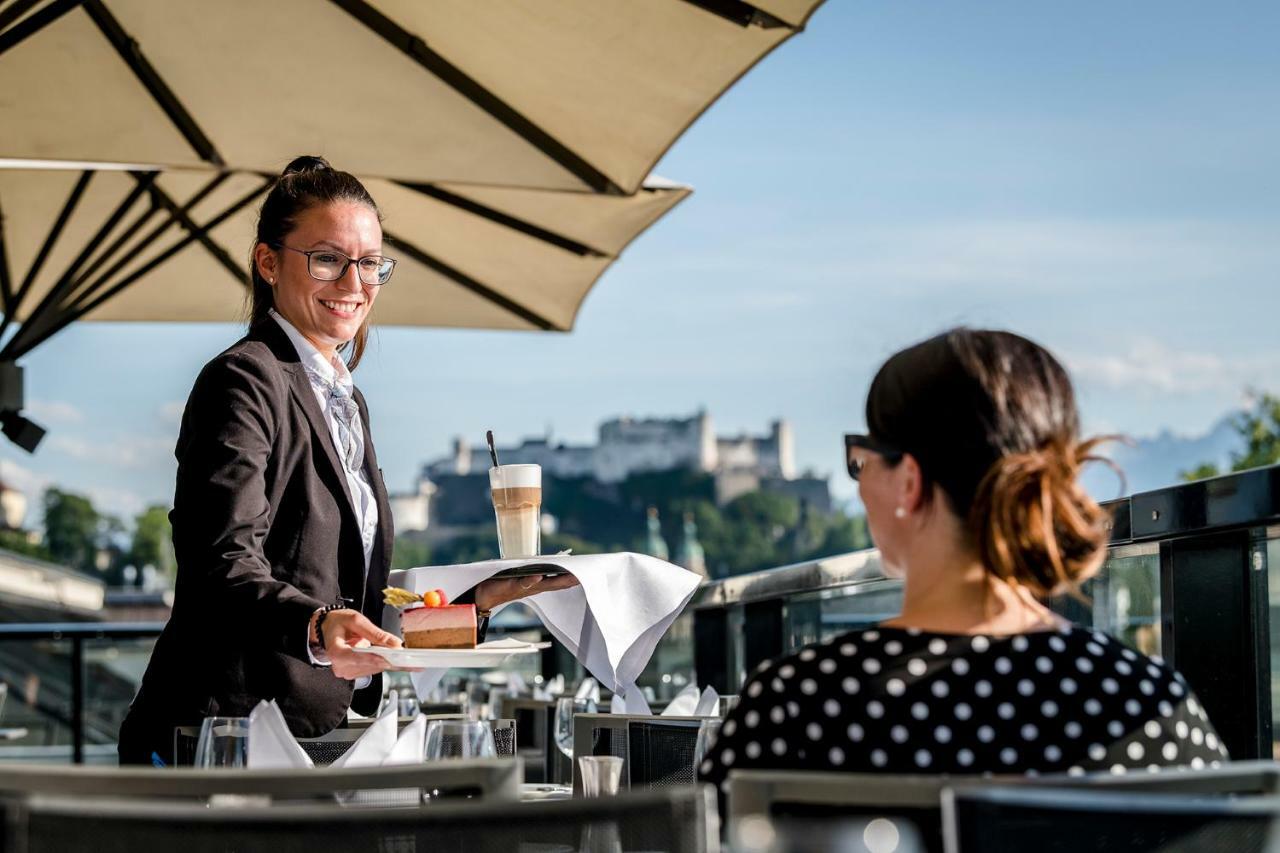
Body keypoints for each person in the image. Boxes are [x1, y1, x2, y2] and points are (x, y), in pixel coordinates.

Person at [118, 156, 575, 765]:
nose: (354, 283)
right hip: (219, 738)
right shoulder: (243, 380)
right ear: (268, 262)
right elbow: (220, 562)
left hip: (310, 737)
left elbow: (345, 590)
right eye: (328, 259)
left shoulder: (346, 399)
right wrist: (316, 625)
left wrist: (476, 603)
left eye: (369, 263)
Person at [700, 328, 1225, 788]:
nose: (858, 487)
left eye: (862, 460)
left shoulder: (796, 706)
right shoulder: (1143, 704)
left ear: (908, 481)